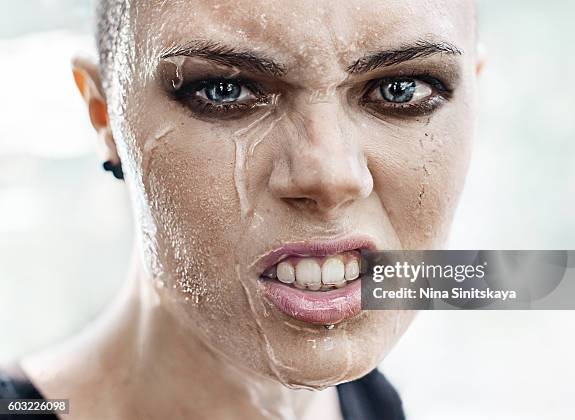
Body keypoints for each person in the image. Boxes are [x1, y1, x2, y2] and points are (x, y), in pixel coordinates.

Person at [1, 0, 481, 418]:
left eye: (403, 88)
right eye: (224, 91)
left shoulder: (376, 402)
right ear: (105, 114)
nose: (331, 177)